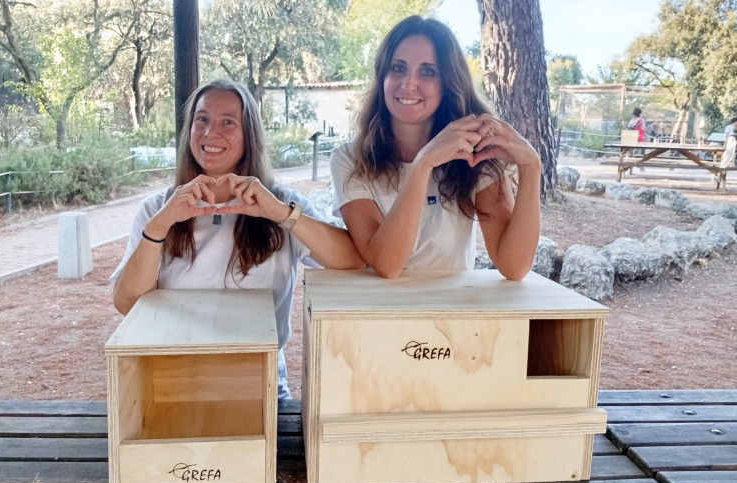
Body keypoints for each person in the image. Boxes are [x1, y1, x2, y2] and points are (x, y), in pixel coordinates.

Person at [111, 79, 364, 399]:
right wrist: (161, 225)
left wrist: (280, 213)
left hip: (261, 387)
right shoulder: (158, 208)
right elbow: (126, 302)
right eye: (201, 119)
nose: (210, 132)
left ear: (249, 135)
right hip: (174, 384)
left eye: (227, 122)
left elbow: (352, 259)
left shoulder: (281, 202)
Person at [330, 16, 540, 280]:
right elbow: (387, 264)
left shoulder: (476, 153)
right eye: (397, 68)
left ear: (447, 83)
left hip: (450, 314)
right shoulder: (349, 159)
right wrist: (423, 164)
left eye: (427, 71)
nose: (408, 84)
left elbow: (514, 267)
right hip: (379, 312)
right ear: (382, 75)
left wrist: (531, 166)